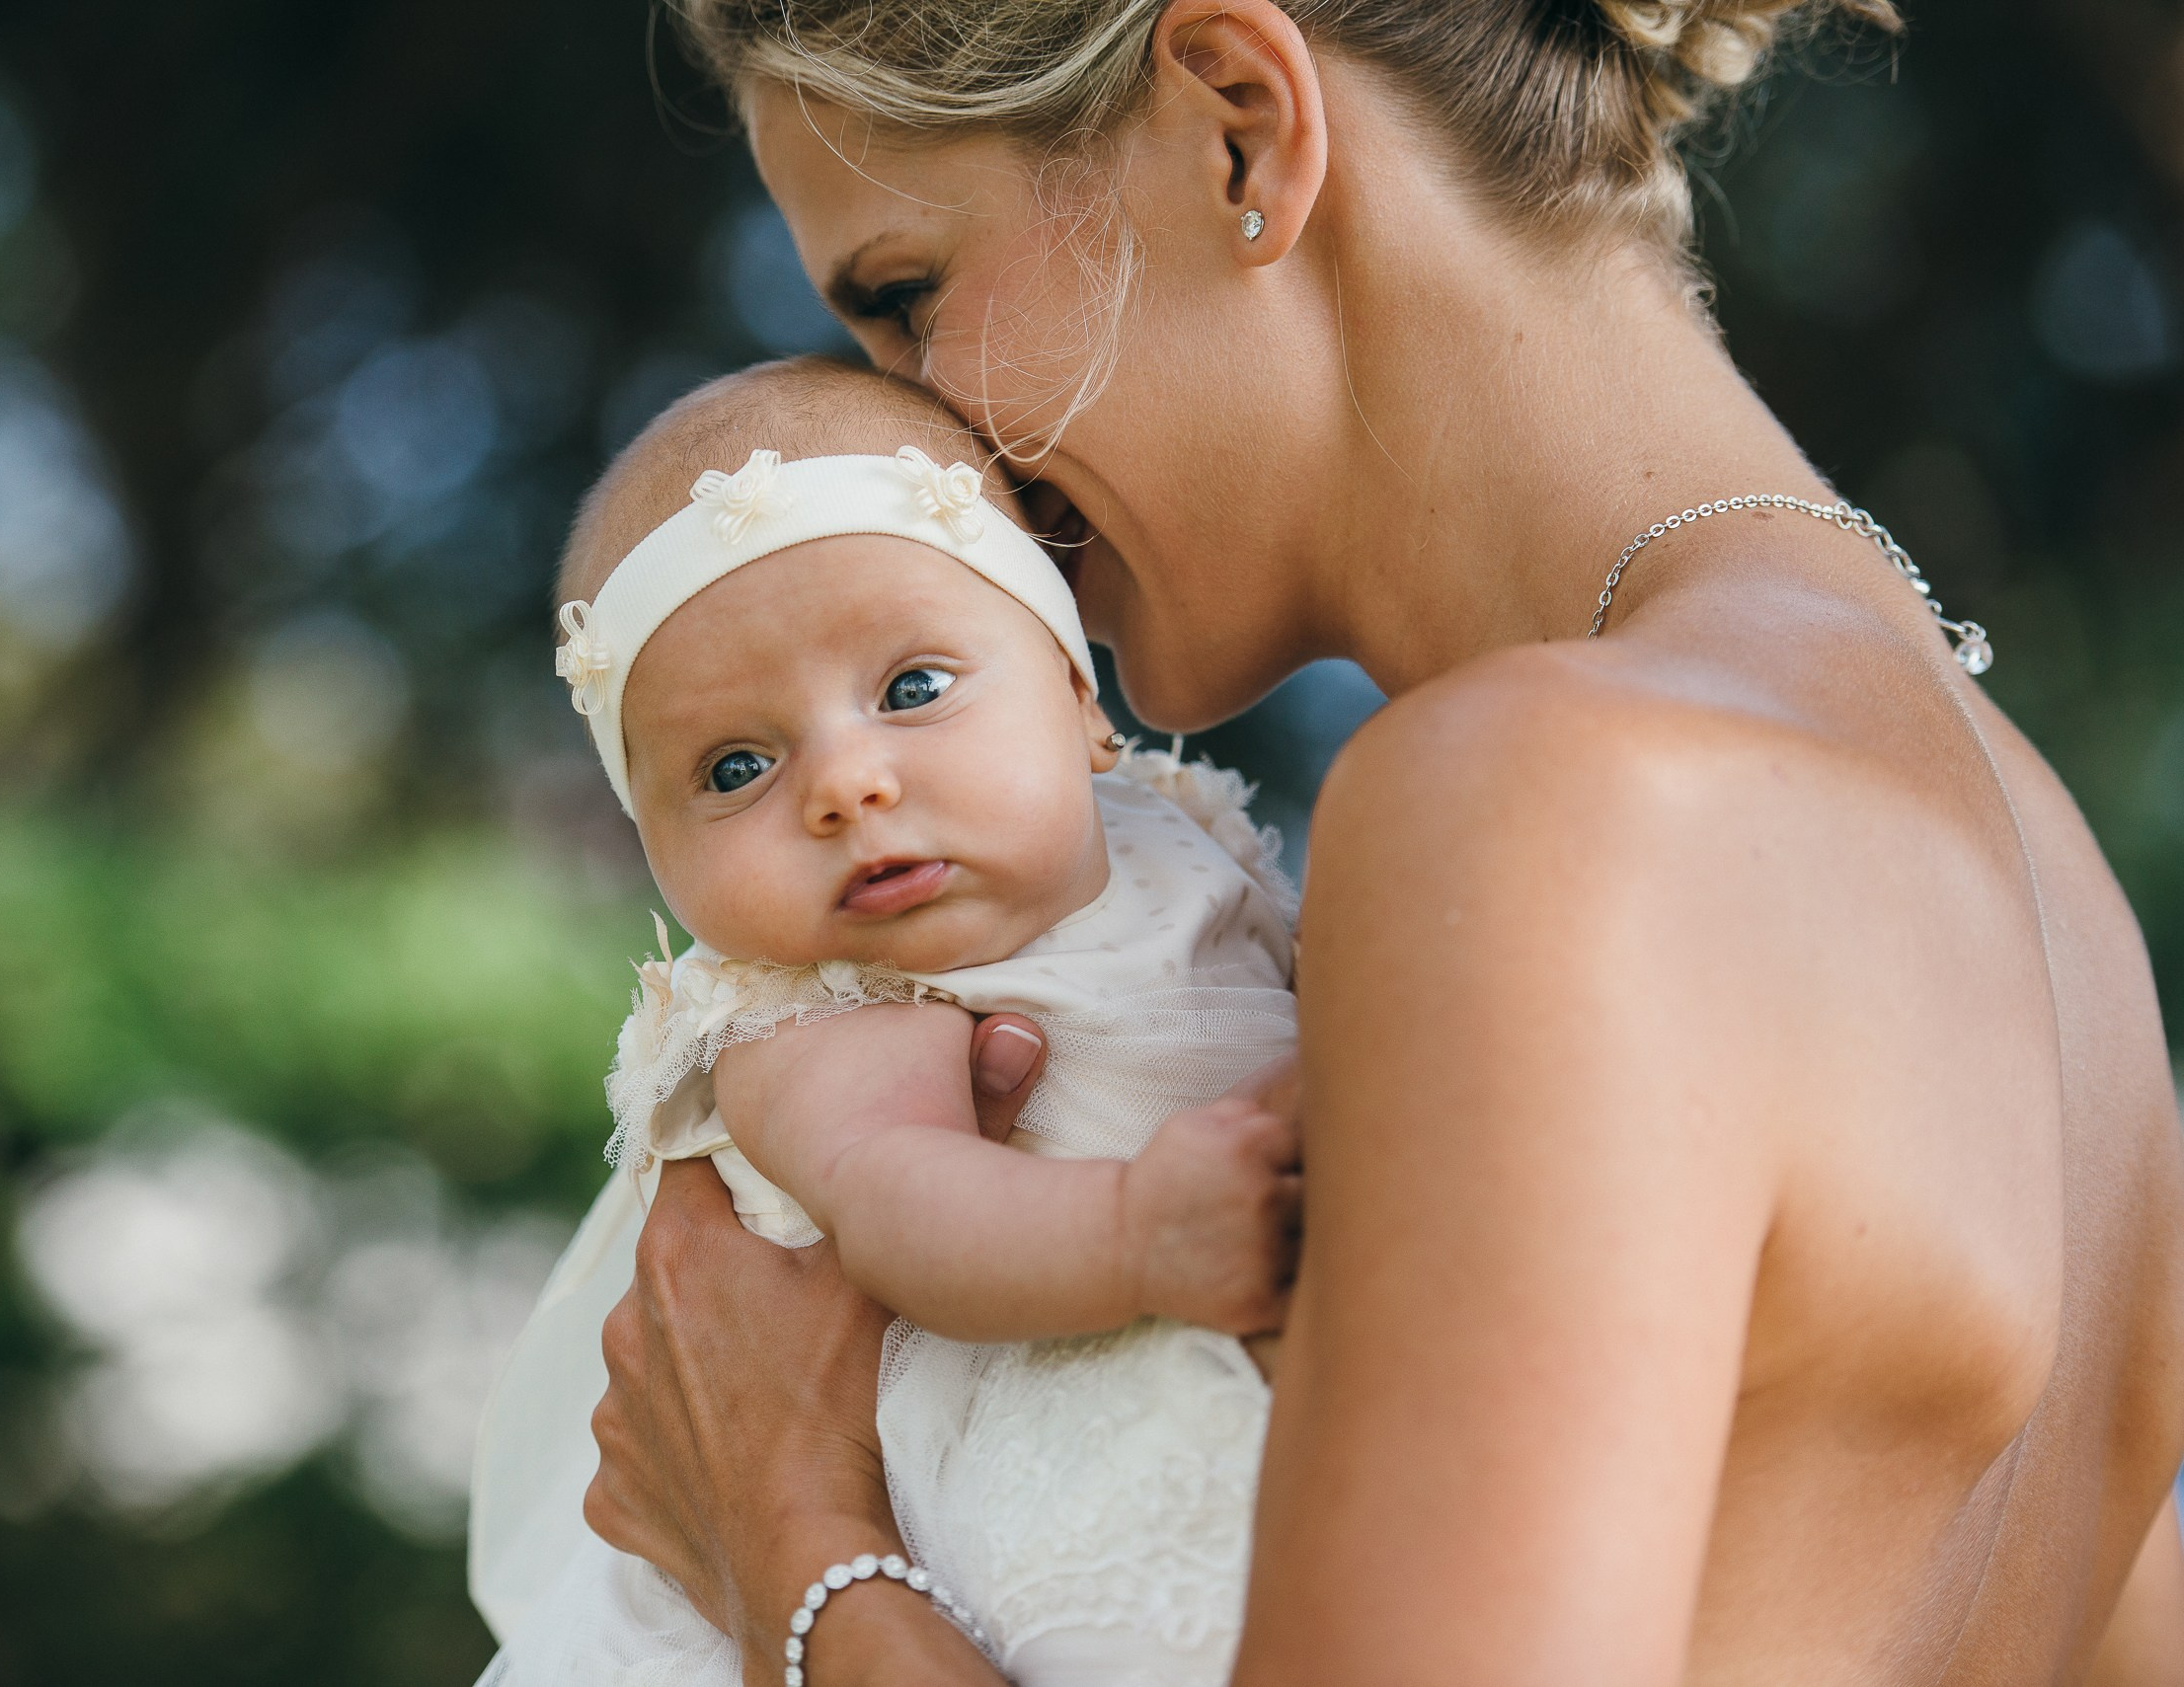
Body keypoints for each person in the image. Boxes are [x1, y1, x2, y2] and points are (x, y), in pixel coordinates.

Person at [576, 1, 2184, 1683]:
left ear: (1236, 125)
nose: (923, 450)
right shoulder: (2060, 909)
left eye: (907, 299)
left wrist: (792, 1539)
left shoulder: (1550, 796)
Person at [479, 358, 1303, 1684]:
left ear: (1082, 700)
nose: (848, 785)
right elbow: (902, 1201)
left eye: (914, 687)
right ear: (658, 857)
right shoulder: (817, 1009)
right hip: (972, 1483)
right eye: (736, 768)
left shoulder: (1179, 838)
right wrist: (1141, 1230)